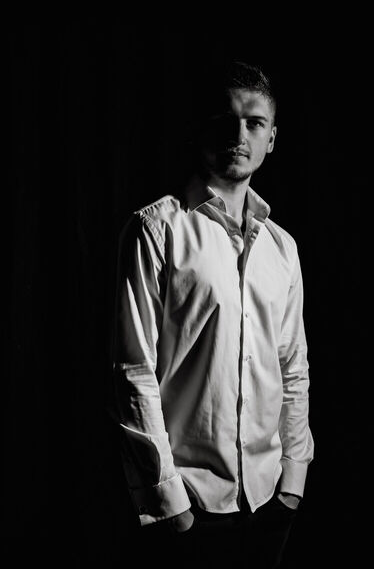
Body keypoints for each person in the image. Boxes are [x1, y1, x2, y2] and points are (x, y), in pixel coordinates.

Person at [111, 60, 314, 568]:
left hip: (269, 501)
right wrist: (171, 503)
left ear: (272, 139)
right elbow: (133, 371)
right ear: (199, 129)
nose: (239, 136)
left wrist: (293, 480)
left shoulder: (282, 248)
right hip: (190, 507)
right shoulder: (156, 230)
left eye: (254, 123)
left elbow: (292, 368)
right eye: (226, 121)